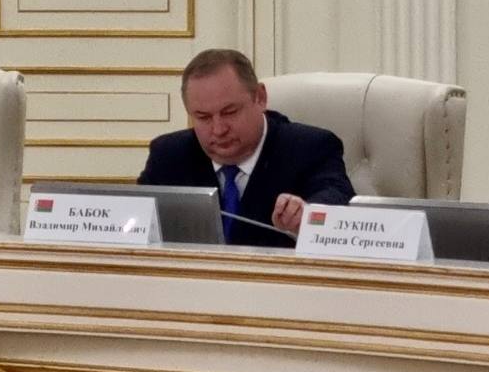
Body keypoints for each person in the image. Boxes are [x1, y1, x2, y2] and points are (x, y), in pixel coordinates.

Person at [138, 48, 354, 247]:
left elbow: (337, 198)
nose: (218, 129)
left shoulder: (311, 147)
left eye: (230, 112)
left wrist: (308, 213)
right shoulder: (169, 155)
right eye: (203, 117)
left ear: (260, 98)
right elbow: (135, 220)